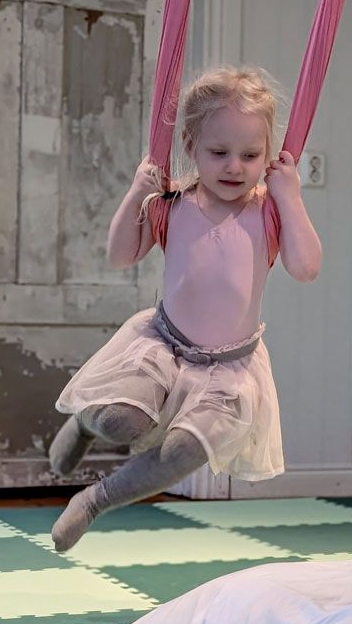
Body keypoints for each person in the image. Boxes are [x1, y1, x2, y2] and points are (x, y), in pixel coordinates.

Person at [48, 66, 321, 551]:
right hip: (163, 345)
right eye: (219, 153)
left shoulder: (268, 211)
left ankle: (94, 501)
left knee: (187, 450)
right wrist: (137, 192)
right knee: (119, 422)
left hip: (230, 368)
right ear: (192, 146)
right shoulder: (173, 203)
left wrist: (291, 197)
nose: (234, 166)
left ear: (267, 154)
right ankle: (84, 424)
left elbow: (306, 268)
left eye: (250, 155)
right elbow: (121, 255)